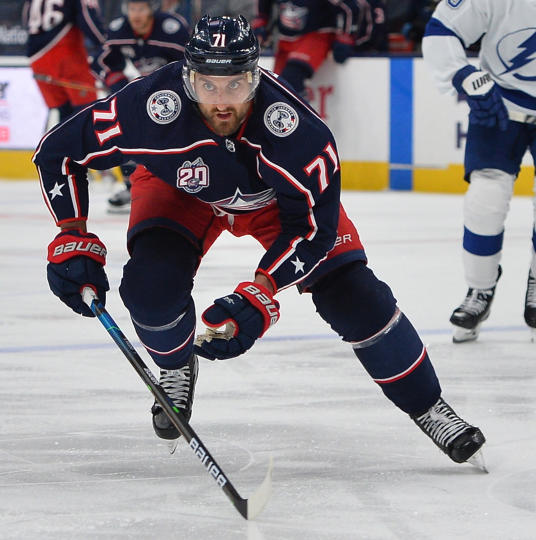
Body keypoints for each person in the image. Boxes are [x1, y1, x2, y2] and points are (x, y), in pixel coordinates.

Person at [38, 15, 485, 466]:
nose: (221, 101)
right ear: (187, 78)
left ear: (256, 76)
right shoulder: (151, 104)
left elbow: (312, 230)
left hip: (276, 208)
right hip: (178, 189)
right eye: (207, 85)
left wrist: (264, 289)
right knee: (149, 288)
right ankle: (175, 367)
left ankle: (430, 407)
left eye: (234, 84)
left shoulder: (298, 132)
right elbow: (59, 153)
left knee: (355, 296)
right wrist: (72, 232)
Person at [422, 0, 536, 343]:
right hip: (500, 105)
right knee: (484, 200)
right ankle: (480, 288)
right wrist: (465, 74)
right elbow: (442, 30)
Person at [92, 0, 189, 213]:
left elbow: (190, 66)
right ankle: (131, 186)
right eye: (132, 8)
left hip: (176, 96)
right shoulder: (119, 28)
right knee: (122, 129)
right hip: (145, 94)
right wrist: (119, 86)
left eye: (141, 9)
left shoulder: (172, 28)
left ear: (151, 9)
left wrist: (168, 89)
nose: (135, 14)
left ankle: (178, 186)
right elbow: (105, 63)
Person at [253, 0, 385, 97]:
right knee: (274, 88)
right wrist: (261, 22)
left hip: (316, 35)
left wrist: (345, 37)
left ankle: (300, 124)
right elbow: (263, 6)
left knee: (290, 79)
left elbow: (350, 7)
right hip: (285, 38)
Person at [23, 0, 108, 126]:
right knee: (85, 112)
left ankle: (59, 144)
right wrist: (106, 45)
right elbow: (88, 19)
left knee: (62, 113)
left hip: (37, 60)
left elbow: (26, 21)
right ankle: (86, 145)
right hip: (65, 53)